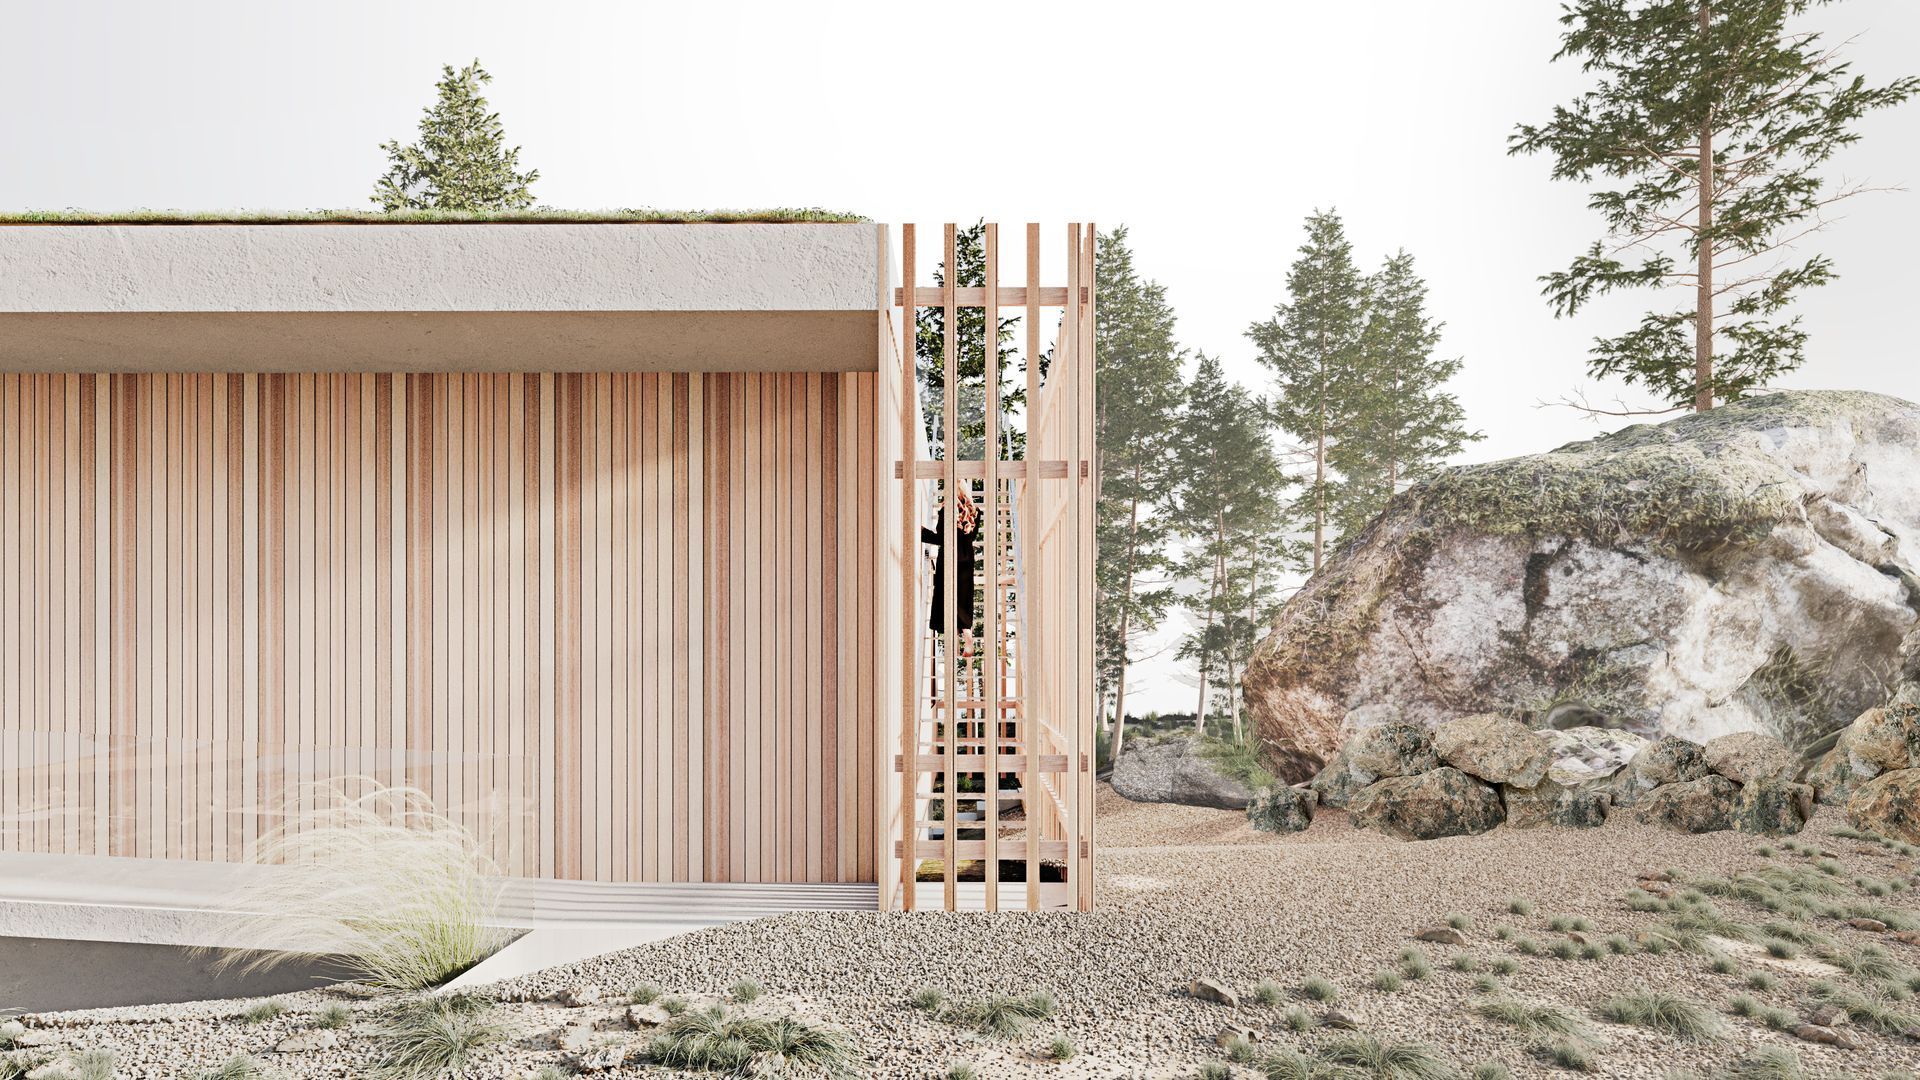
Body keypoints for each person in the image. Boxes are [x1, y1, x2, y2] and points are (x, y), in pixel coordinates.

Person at [921, 486, 980, 654]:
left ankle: (952, 639)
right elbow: (972, 537)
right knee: (963, 595)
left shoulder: (948, 509)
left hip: (949, 556)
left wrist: (922, 532)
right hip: (967, 558)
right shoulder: (974, 512)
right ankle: (967, 634)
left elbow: (942, 538)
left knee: (945, 595)